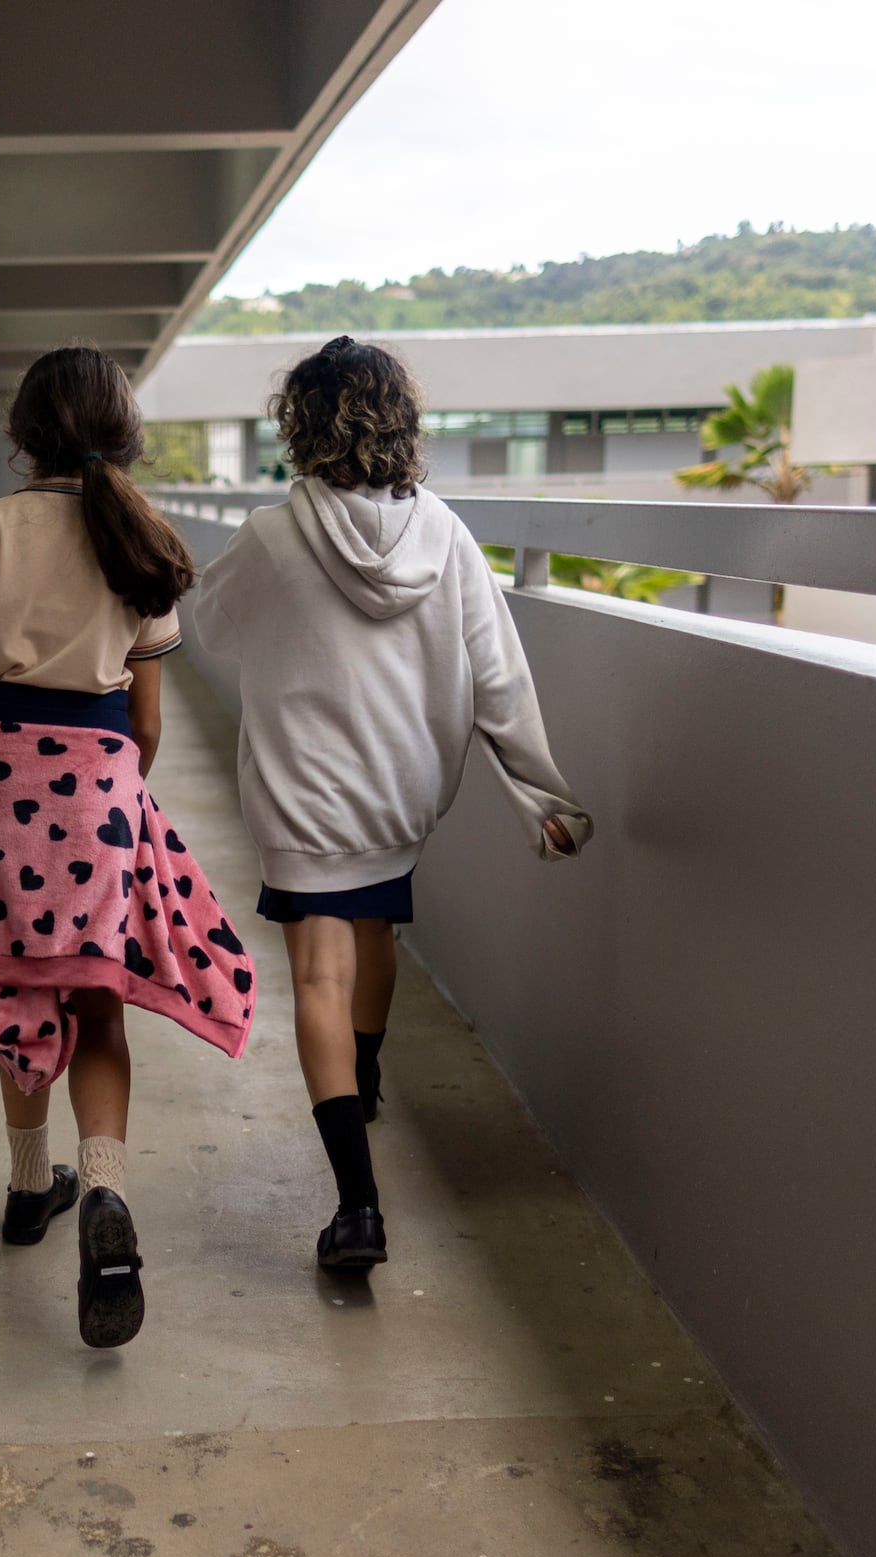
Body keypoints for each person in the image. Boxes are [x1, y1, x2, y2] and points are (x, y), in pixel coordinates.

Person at [0, 347, 256, 1350]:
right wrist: (120, 796)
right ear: (123, 432)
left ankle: (24, 1184)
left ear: (22, 431)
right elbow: (148, 716)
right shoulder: (144, 542)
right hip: (98, 778)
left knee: (9, 979)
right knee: (93, 993)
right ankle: (105, 1189)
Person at [192, 336, 590, 1270]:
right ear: (398, 422)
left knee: (319, 978)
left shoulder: (271, 533)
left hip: (304, 796)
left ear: (303, 421)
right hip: (399, 791)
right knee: (374, 935)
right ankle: (364, 1080)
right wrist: (545, 792)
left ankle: (358, 1205)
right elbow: (499, 673)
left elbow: (209, 626)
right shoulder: (446, 534)